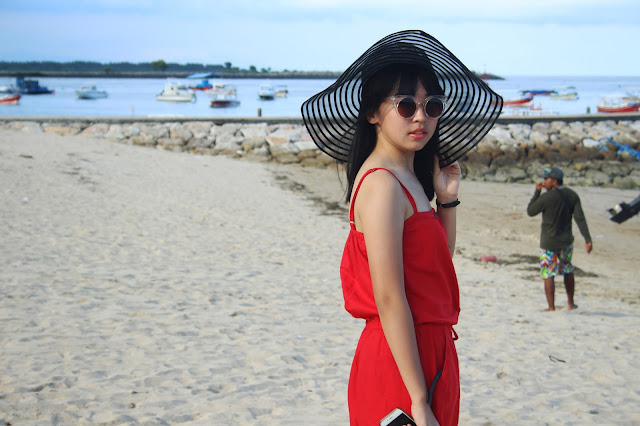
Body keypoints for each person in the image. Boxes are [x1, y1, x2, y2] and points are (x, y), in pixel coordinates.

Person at [302, 30, 503, 426]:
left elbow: (435, 266)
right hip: (400, 362)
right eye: (406, 104)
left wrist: (446, 200)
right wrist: (418, 398)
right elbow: (389, 297)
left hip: (426, 352)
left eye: (432, 106)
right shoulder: (382, 184)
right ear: (373, 113)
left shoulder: (407, 177)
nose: (420, 117)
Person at [527, 167, 593, 311]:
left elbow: (531, 211)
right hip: (566, 242)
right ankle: (571, 303)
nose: (544, 182)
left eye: (546, 179)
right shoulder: (572, 195)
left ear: (554, 181)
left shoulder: (546, 197)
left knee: (548, 273)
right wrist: (587, 239)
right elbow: (580, 219)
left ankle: (551, 307)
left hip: (548, 242)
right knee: (567, 269)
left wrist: (537, 192)